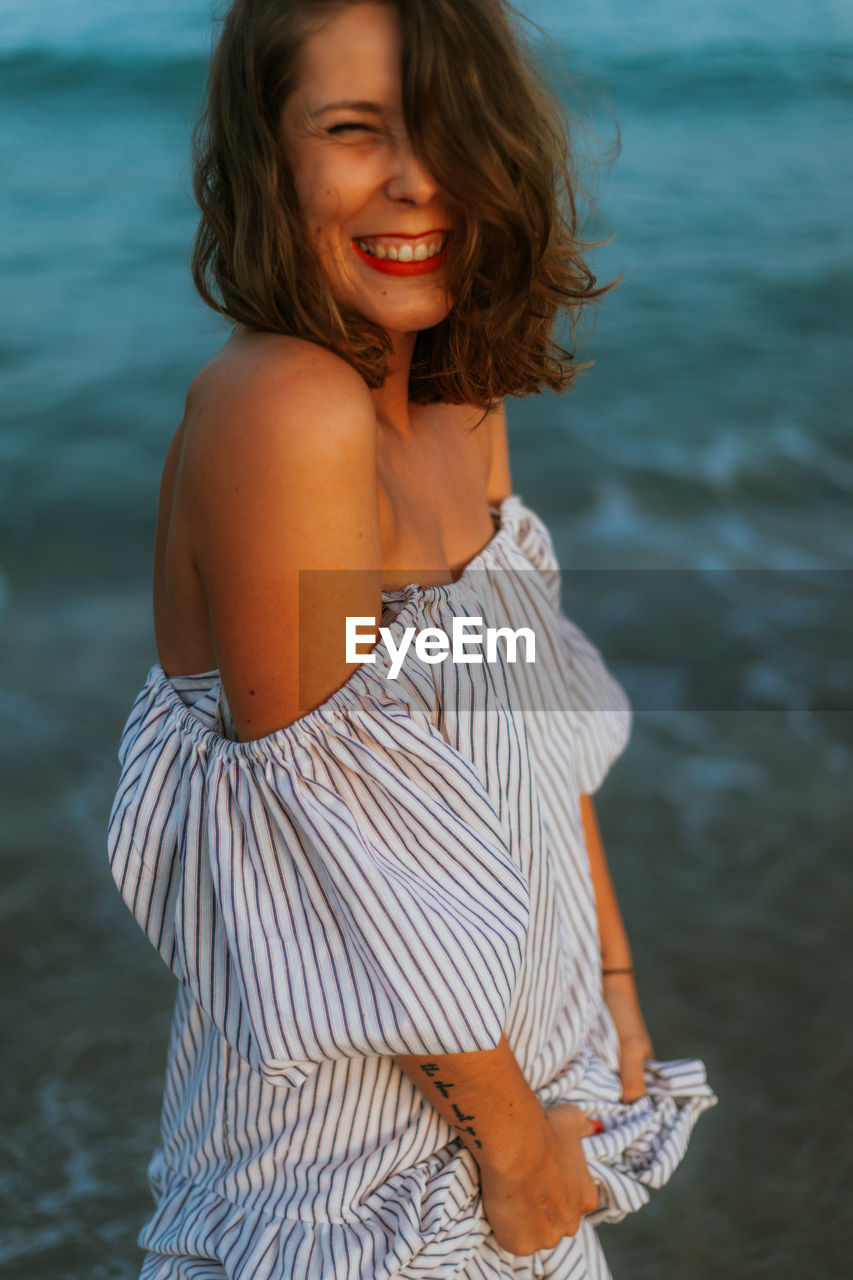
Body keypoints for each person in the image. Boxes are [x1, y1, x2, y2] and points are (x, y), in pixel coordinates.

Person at [108, 1, 717, 1276]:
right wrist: (516, 1152)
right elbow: (348, 857)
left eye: (442, 124)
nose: (416, 178)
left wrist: (611, 994)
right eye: (352, 129)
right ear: (267, 154)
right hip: (352, 1203)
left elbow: (523, 708)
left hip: (529, 1125)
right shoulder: (285, 410)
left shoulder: (458, 394)